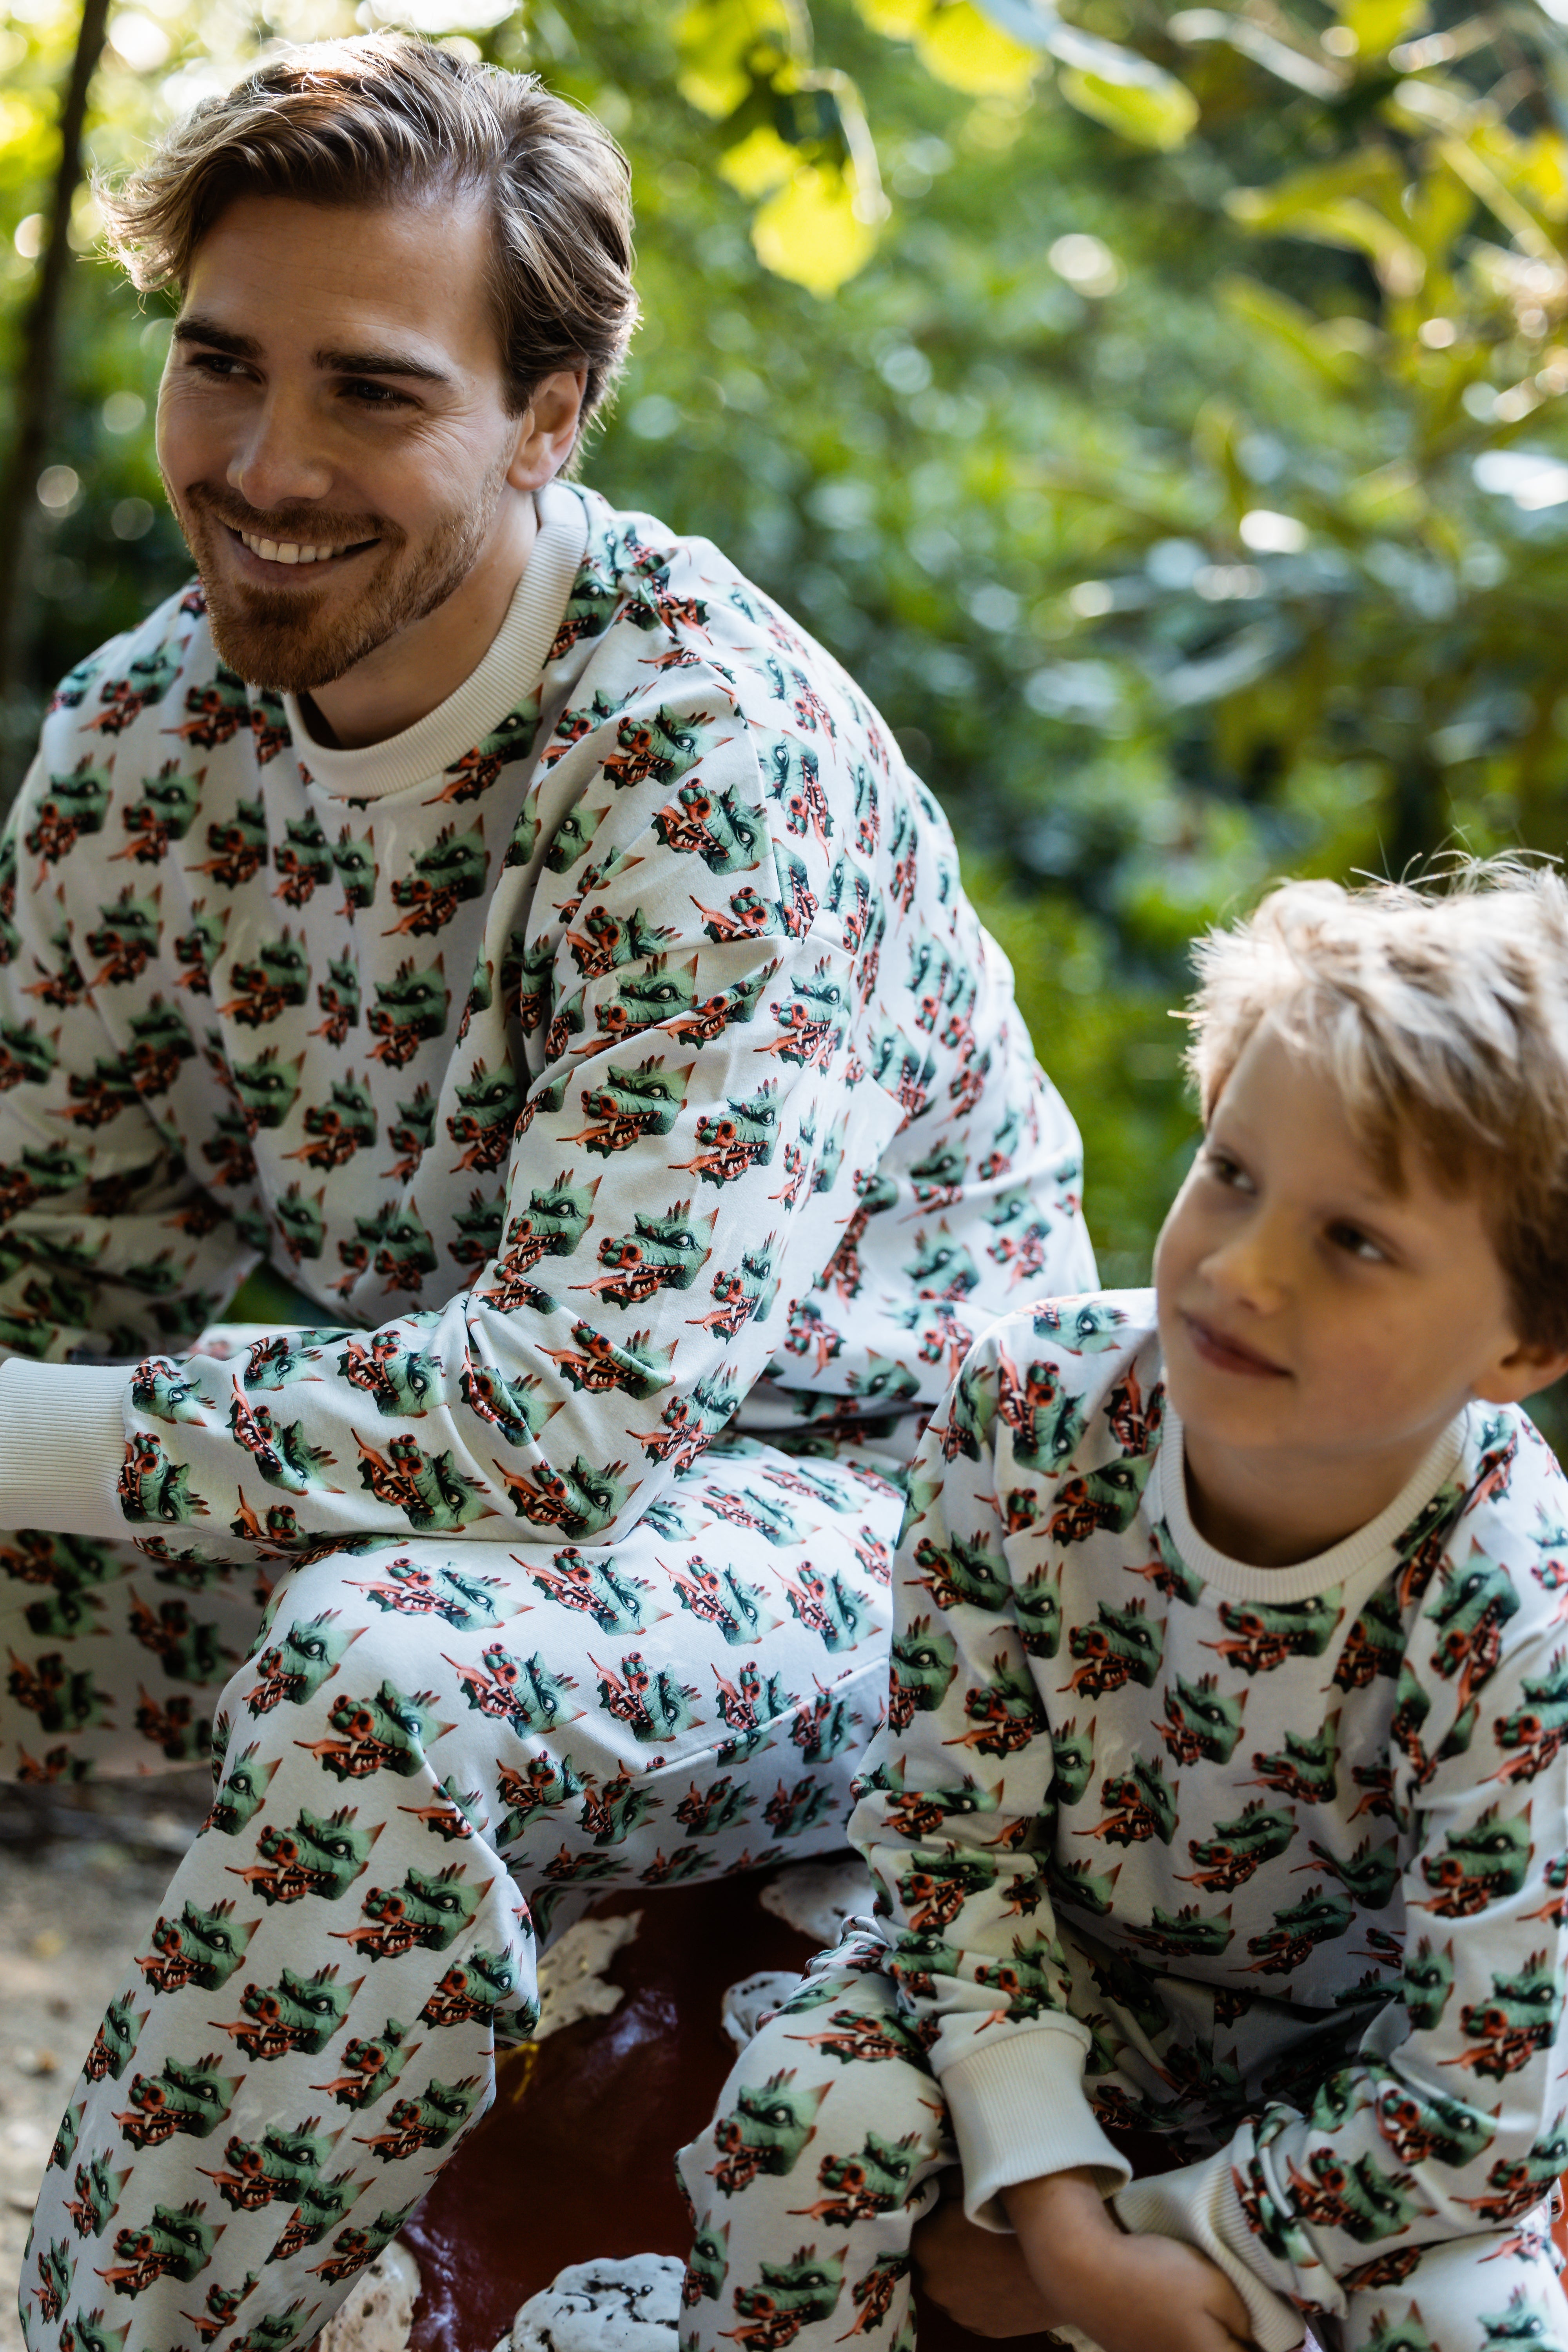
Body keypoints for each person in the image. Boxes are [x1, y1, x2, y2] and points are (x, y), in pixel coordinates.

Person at [5, 33, 1097, 2352]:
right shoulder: (142, 739)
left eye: (374, 395)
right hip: (433, 1479)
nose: (264, 466)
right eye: (223, 364)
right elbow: (51, 1253)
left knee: (388, 1675)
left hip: (876, 1543)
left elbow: (563, 1417)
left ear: (550, 418)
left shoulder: (702, 759)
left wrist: (50, 1434)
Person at [678, 861, 1568, 2352]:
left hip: (1347, 2090)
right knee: (805, 2116)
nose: (1241, 1269)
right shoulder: (1027, 1411)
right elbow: (953, 1843)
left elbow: (1482, 2100)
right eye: (1233, 1172)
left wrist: (1157, 2250)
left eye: (1355, 1242)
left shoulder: (1517, 1605)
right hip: (1042, 1990)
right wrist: (1054, 2206)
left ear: (1526, 1346)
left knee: (1489, 2328)